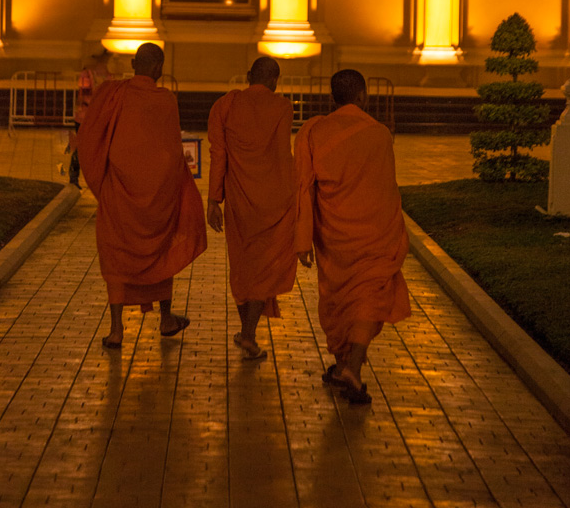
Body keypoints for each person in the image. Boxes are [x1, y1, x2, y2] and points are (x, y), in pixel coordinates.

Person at [77, 42, 207, 348]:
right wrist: (175, 189)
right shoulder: (165, 101)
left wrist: (103, 178)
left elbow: (89, 137)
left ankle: (116, 330)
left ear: (135, 64)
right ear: (158, 69)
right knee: (160, 251)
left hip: (119, 192)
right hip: (157, 196)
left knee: (116, 258)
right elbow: (172, 152)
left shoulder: (112, 94)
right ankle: (165, 319)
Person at [294, 68, 410, 404]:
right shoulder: (379, 134)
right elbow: (387, 188)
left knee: (341, 299)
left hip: (335, 238)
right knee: (369, 296)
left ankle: (347, 365)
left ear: (333, 98)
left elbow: (303, 189)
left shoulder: (316, 132)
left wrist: (303, 239)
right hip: (375, 236)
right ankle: (351, 369)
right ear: (362, 97)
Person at [207, 56, 296, 360]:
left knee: (244, 265)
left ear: (248, 76)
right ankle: (248, 334)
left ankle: (247, 332)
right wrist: (295, 199)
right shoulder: (283, 107)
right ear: (275, 82)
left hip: (238, 201)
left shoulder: (225, 106)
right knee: (265, 267)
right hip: (274, 201)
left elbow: (218, 155)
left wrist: (213, 199)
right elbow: (284, 155)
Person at [68, 48, 115, 187]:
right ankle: (74, 177)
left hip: (101, 118)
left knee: (101, 149)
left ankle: (100, 179)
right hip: (85, 117)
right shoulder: (87, 75)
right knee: (81, 147)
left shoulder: (108, 76)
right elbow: (85, 96)